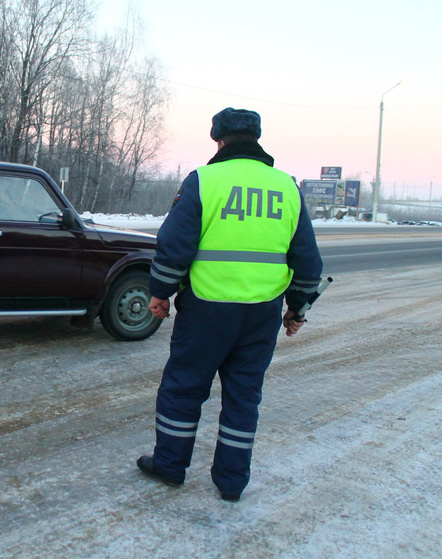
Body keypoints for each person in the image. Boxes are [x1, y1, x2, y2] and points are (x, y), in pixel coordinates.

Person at [137, 107, 323, 501]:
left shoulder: (205, 180)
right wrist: (297, 309)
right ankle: (232, 483)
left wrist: (160, 293)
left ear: (219, 141)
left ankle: (170, 466)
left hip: (206, 309)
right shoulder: (286, 187)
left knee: (184, 388)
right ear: (256, 139)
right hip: (261, 313)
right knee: (244, 397)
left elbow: (174, 246)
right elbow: (307, 262)